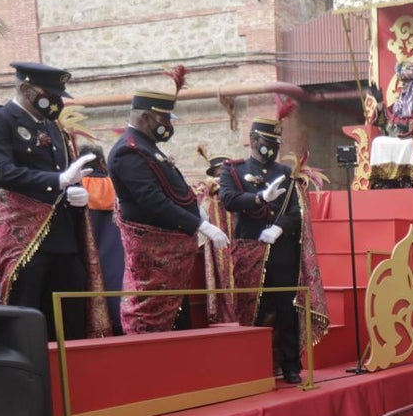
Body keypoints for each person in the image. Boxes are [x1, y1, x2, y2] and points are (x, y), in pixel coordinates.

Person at [0, 62, 111, 340]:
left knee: (70, 316)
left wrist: (74, 191)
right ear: (25, 88)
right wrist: (57, 182)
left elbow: (66, 172)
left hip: (62, 236)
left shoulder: (54, 128)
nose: (56, 102)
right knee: (27, 317)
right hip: (25, 238)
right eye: (50, 95)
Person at [108, 84, 230, 334]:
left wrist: (196, 209)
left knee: (175, 314)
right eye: (163, 118)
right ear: (144, 116)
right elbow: (152, 200)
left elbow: (171, 188)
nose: (167, 125)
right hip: (154, 249)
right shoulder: (128, 150)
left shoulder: (146, 146)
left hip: (171, 250)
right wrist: (199, 224)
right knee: (152, 313)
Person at [219, 112, 329, 384]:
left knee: (285, 308)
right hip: (250, 248)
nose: (273, 147)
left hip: (282, 251)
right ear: (253, 140)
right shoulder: (234, 170)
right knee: (253, 309)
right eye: (268, 141)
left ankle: (290, 364)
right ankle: (253, 364)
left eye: (277, 142)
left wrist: (279, 228)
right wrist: (259, 198)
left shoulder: (285, 173)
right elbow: (229, 199)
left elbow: (296, 209)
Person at [366, 61, 413, 188]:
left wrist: (410, 126)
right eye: (402, 82)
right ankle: (385, 180)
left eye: (406, 83)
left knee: (408, 144)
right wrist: (380, 103)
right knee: (378, 142)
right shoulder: (399, 103)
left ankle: (407, 179)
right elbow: (385, 125)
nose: (403, 86)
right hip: (396, 136)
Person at [78, 144, 124, 335]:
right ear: (103, 162)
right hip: (116, 252)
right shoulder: (118, 187)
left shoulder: (77, 188)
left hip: (86, 252)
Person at [195, 148, 237, 323]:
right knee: (220, 278)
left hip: (238, 242)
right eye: (217, 173)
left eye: (224, 173)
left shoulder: (237, 190)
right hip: (216, 246)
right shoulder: (205, 194)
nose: (220, 177)